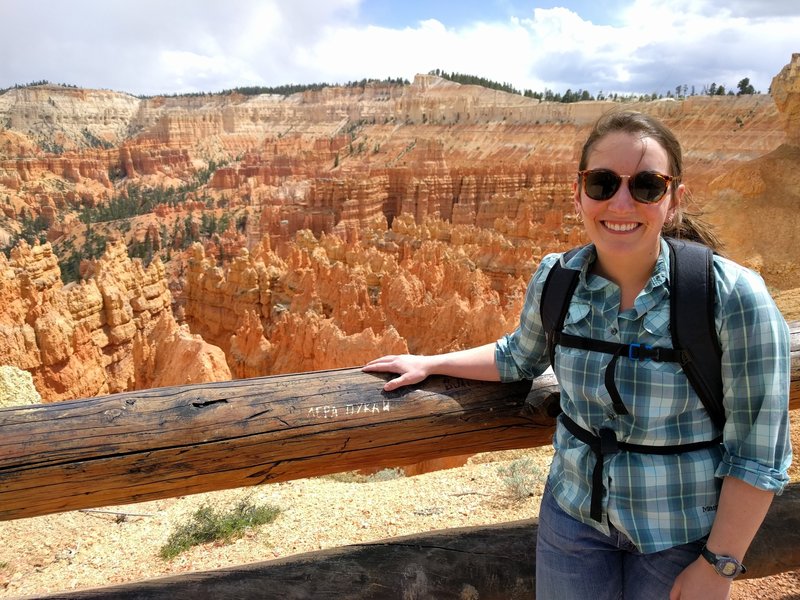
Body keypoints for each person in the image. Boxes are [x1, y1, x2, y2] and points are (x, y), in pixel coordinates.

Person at [362, 110, 791, 600]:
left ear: (674, 200)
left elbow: (759, 453)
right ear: (579, 192)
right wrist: (431, 363)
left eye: (648, 185)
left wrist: (718, 567)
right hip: (574, 522)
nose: (621, 201)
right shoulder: (557, 278)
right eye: (603, 182)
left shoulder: (732, 295)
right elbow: (516, 357)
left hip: (680, 535)